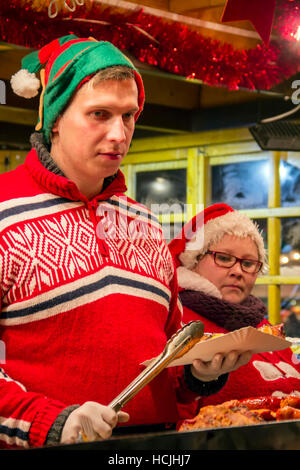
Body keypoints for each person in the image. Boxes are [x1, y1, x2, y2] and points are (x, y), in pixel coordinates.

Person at [0, 36, 250, 449]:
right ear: (54, 118)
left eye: (129, 116)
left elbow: (167, 357)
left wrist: (196, 374)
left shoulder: (146, 223)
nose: (119, 133)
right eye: (100, 114)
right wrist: (54, 422)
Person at [169, 203, 300, 411]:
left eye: (248, 263)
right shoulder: (176, 320)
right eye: (224, 258)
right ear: (193, 261)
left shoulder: (262, 324)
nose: (238, 271)